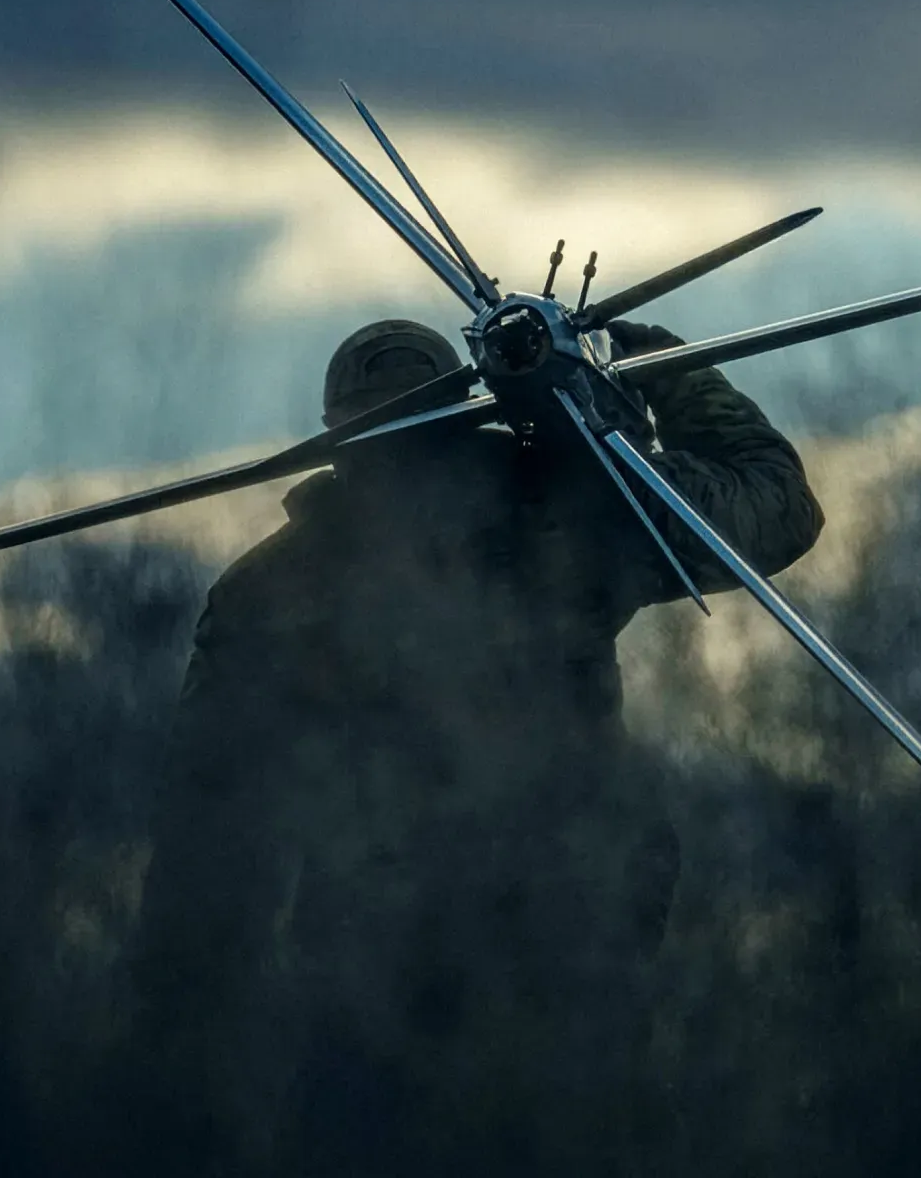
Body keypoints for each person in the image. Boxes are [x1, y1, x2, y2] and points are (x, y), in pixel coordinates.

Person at [128, 315, 823, 1170]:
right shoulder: (568, 518)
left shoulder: (268, 596)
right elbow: (775, 505)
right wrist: (663, 373)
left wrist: (174, 1057)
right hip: (564, 997)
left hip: (374, 1031)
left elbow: (204, 844)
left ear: (336, 440)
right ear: (466, 413)